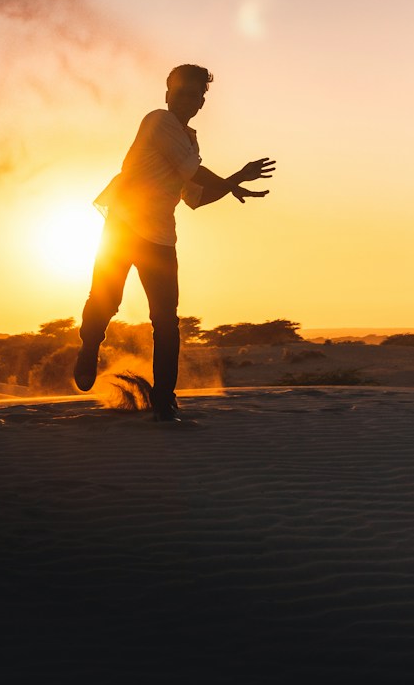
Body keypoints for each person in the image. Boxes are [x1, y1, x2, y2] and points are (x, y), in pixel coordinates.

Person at [76, 64, 275, 421]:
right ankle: (90, 345)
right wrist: (231, 181)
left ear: (201, 102)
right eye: (181, 92)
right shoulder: (158, 121)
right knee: (107, 301)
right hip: (122, 227)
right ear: (168, 95)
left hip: (161, 239)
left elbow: (194, 196)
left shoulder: (189, 140)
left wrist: (229, 184)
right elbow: (195, 174)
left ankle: (164, 401)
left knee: (166, 322)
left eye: (196, 95)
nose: (188, 100)